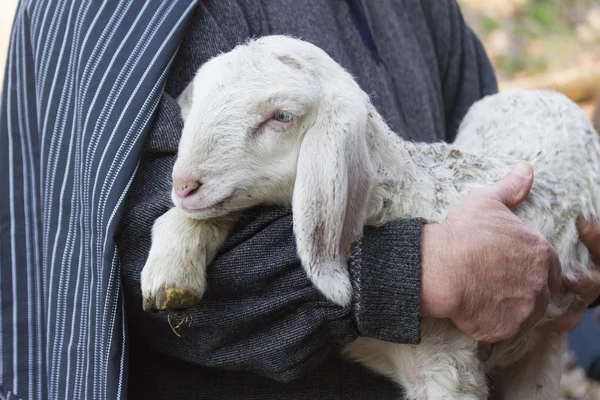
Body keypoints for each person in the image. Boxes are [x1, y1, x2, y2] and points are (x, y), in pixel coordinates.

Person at [1, 1, 599, 399]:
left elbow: (488, 163)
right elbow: (126, 250)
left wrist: (560, 244)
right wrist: (417, 270)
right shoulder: (119, 13)